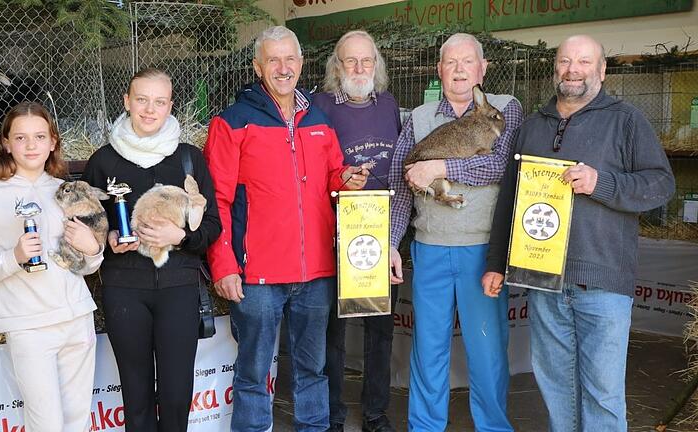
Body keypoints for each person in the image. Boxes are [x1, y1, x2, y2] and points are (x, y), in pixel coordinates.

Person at [483, 34, 675, 432]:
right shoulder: (534, 125)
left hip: (603, 283)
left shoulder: (625, 120)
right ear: (556, 67)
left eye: (584, 62)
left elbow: (661, 184)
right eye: (566, 61)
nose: (573, 70)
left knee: (602, 394)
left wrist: (600, 183)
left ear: (602, 71)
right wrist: (497, 262)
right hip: (543, 280)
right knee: (556, 390)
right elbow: (511, 199)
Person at [204, 25, 368, 432]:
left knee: (314, 370)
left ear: (301, 63)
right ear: (258, 66)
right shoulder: (233, 122)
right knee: (253, 375)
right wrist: (223, 264)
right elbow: (217, 201)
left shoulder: (318, 118)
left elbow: (331, 176)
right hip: (257, 274)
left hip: (316, 271)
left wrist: (346, 178)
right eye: (273, 60)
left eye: (290, 58)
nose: (283, 67)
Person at [389, 33, 523, 431]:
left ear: (483, 70)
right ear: (440, 71)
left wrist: (443, 168)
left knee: (486, 348)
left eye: (468, 62)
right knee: (427, 349)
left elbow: (501, 165)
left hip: (483, 250)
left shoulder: (505, 109)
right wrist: (393, 244)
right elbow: (400, 185)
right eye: (451, 62)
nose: (460, 69)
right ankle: (425, 426)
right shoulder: (419, 117)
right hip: (429, 248)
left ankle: (493, 426)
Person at [82, 68, 221, 431]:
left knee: (176, 395)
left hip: (178, 287)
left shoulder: (189, 158)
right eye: (141, 100)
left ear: (171, 106)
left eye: (159, 102)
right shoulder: (103, 161)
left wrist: (180, 237)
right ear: (126, 102)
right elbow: (87, 227)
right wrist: (109, 241)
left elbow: (213, 225)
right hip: (125, 289)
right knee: (136, 395)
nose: (149, 109)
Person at [0, 101, 102, 431]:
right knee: (46, 423)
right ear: (6, 143)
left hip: (77, 318)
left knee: (77, 421)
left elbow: (88, 266)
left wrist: (91, 248)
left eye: (40, 136)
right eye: (21, 138)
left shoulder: (67, 191)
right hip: (28, 325)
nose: (31, 145)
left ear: (53, 142)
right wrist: (14, 257)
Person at [311, 30, 401, 432]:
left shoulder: (390, 106)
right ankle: (332, 415)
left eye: (367, 61)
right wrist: (341, 181)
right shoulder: (320, 106)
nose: (360, 68)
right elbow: (312, 173)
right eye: (351, 61)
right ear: (337, 67)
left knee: (380, 331)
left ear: (377, 65)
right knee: (335, 330)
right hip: (335, 235)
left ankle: (375, 413)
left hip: (381, 235)